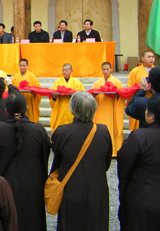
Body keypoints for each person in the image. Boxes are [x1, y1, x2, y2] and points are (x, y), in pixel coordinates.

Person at [50, 91, 112, 231]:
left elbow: (57, 159)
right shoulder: (103, 132)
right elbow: (106, 162)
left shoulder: (62, 132)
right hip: (97, 189)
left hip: (71, 189)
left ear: (72, 109)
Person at [0, 93, 50, 231]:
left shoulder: (0, 129)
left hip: (6, 183)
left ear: (6, 110)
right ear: (27, 108)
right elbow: (45, 156)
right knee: (32, 220)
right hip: (33, 184)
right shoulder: (38, 130)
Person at [117, 97, 160, 231]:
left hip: (144, 200)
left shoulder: (139, 136)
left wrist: (125, 193)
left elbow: (124, 166)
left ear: (152, 116)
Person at [92, 62, 125, 156]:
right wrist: (95, 95)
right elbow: (93, 95)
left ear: (111, 69)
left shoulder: (117, 82)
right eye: (104, 69)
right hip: (101, 110)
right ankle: (100, 151)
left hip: (112, 110)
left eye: (107, 69)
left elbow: (121, 95)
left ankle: (114, 151)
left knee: (112, 130)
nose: (106, 71)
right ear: (101, 70)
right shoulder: (98, 83)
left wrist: (116, 94)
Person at [50, 63, 85, 131]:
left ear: (71, 71)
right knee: (60, 130)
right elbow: (52, 98)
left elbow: (82, 96)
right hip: (60, 111)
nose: (65, 72)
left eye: (66, 70)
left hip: (72, 111)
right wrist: (54, 97)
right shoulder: (58, 82)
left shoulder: (77, 82)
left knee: (73, 130)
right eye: (63, 70)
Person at [127, 50, 155, 131]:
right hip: (140, 101)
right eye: (149, 57)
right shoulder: (135, 71)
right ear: (142, 58)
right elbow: (130, 86)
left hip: (153, 100)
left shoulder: (157, 70)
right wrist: (140, 88)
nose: (151, 59)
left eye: (153, 57)